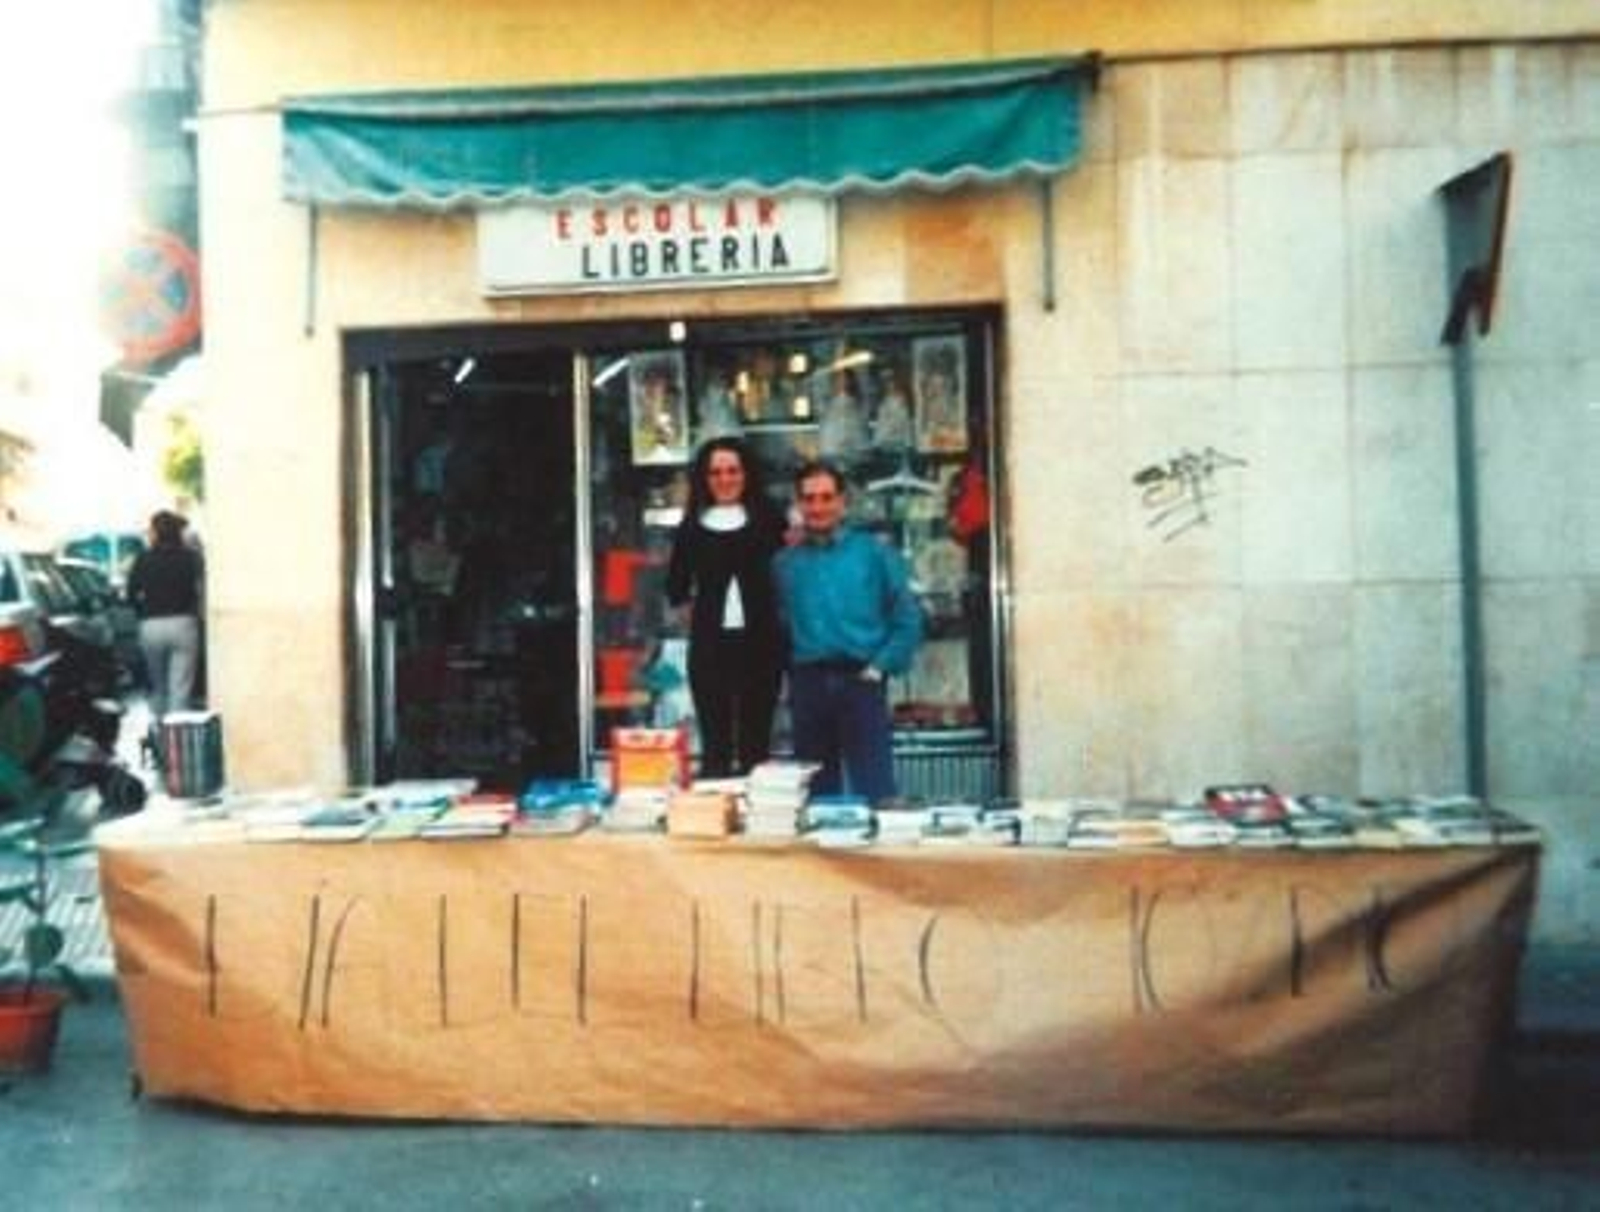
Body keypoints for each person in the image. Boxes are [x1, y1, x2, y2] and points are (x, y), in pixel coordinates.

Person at [772, 460, 922, 802]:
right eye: (809, 499)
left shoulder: (874, 553)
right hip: (808, 686)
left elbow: (908, 617)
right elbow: (778, 625)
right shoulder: (784, 564)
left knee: (875, 792)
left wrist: (880, 666)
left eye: (826, 497)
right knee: (816, 796)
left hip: (862, 682)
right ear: (798, 505)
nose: (818, 507)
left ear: (843, 502)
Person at [666, 438, 787, 778]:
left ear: (746, 475)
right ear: (704, 479)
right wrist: (697, 613)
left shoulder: (769, 521)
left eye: (732, 471)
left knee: (757, 739)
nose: (724, 479)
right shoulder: (691, 528)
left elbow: (787, 575)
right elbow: (675, 587)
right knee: (714, 740)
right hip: (709, 647)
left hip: (762, 644)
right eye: (715, 472)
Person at [126, 510, 204, 722]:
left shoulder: (143, 559)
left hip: (151, 626)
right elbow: (201, 590)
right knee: (180, 688)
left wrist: (142, 614)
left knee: (158, 686)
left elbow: (130, 594)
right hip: (183, 624)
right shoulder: (191, 558)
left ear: (156, 533)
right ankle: (177, 747)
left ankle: (160, 734)